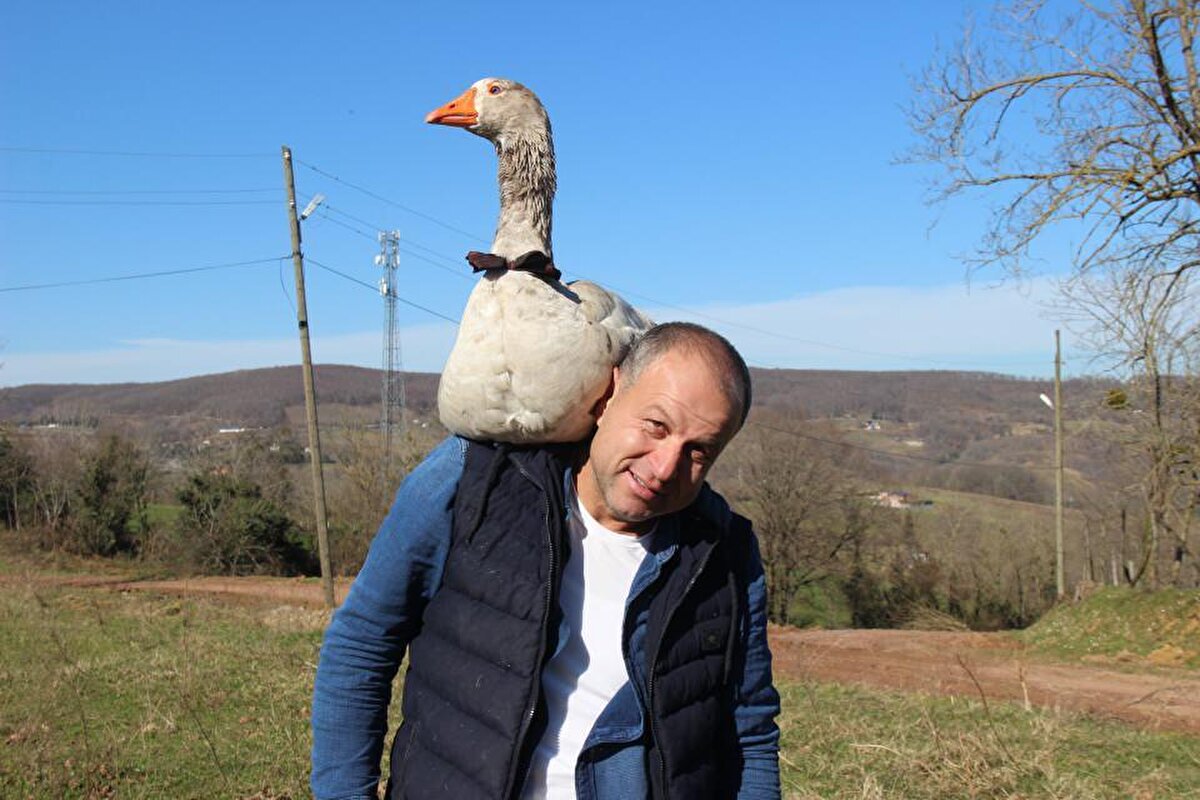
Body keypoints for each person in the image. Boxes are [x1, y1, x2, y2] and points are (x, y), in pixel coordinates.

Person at [311, 322, 780, 800]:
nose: (664, 467)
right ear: (611, 394)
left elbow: (750, 731)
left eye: (698, 451)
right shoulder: (473, 481)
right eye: (656, 426)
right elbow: (363, 643)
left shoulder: (723, 552)